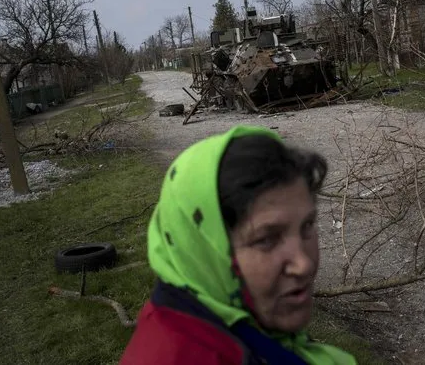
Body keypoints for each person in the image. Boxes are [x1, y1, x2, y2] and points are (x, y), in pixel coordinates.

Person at [120, 125, 357, 365]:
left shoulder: (237, 330)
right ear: (206, 250)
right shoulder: (181, 356)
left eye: (307, 226)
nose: (304, 264)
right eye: (266, 239)